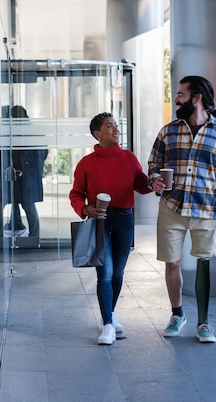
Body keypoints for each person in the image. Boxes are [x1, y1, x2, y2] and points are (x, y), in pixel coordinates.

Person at [148, 75, 216, 343]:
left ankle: (203, 323)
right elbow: (154, 162)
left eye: (180, 94)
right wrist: (154, 178)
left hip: (204, 209)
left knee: (202, 264)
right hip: (171, 206)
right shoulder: (168, 131)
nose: (176, 99)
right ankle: (177, 314)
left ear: (196, 98)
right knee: (172, 263)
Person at [69, 112, 153, 345]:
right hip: (100, 221)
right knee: (104, 274)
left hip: (125, 219)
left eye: (116, 125)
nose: (116, 129)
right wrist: (85, 210)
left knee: (118, 274)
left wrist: (153, 184)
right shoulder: (87, 163)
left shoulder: (128, 157)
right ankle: (107, 324)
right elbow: (75, 194)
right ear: (98, 134)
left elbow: (140, 184)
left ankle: (111, 313)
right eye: (109, 126)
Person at [3, 105, 48, 239]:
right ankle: (31, 234)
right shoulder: (32, 130)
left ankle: (32, 235)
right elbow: (44, 152)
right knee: (26, 204)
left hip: (25, 175)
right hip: (25, 174)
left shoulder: (23, 131)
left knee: (26, 204)